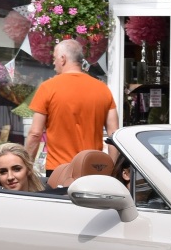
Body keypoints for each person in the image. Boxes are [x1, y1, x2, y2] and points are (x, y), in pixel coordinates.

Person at [23, 39, 119, 178]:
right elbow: (113, 135)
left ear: (63, 59)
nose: (53, 63)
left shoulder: (47, 88)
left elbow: (35, 134)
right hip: (93, 170)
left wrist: (27, 167)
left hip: (60, 170)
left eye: (54, 58)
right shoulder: (102, 89)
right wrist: (112, 169)